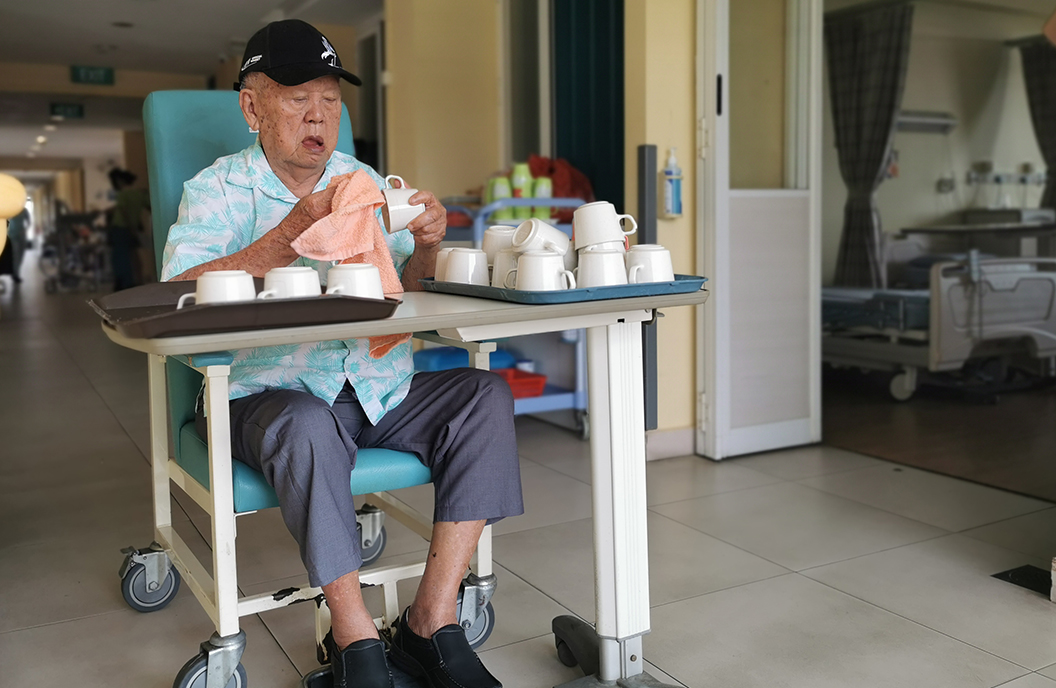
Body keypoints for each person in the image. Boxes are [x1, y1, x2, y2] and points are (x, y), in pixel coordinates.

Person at [160, 20, 522, 688]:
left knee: (485, 397)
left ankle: (431, 621)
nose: (319, 115)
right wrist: (291, 233)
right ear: (252, 107)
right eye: (298, 97)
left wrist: (435, 242)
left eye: (330, 98)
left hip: (377, 389)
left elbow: (407, 290)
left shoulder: (365, 184)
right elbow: (175, 296)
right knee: (308, 423)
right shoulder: (216, 191)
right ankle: (357, 643)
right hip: (269, 397)